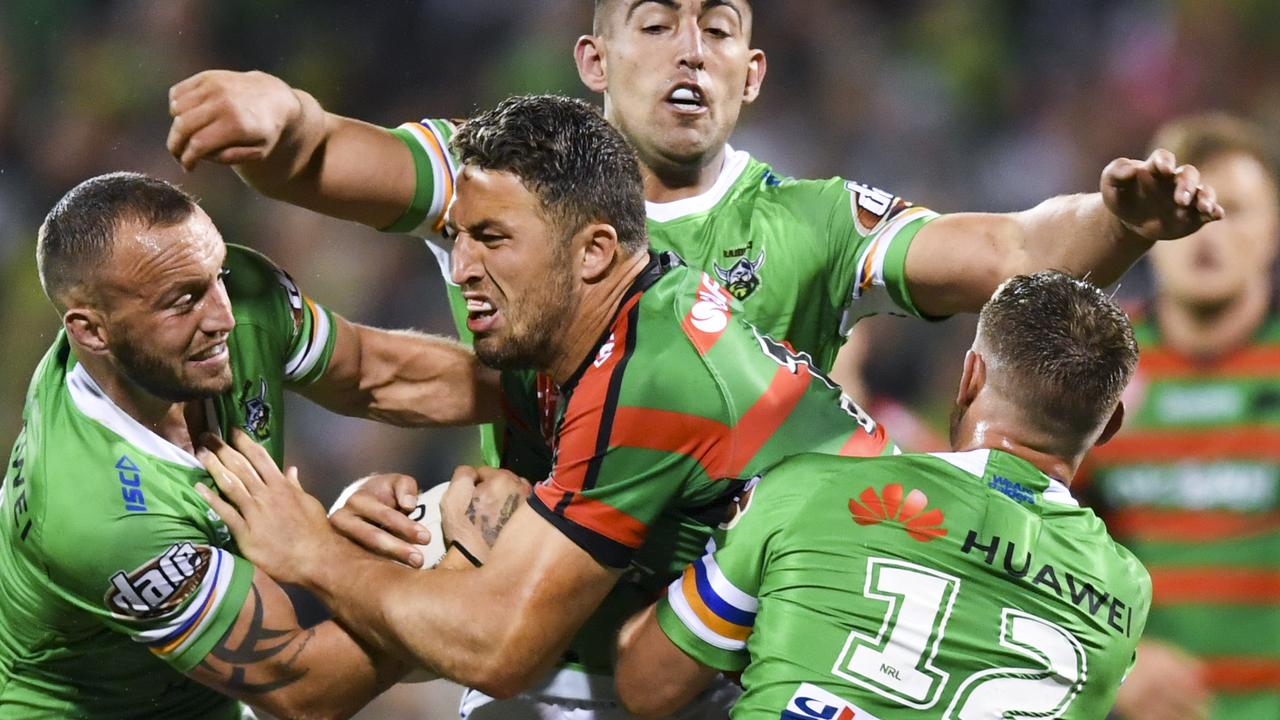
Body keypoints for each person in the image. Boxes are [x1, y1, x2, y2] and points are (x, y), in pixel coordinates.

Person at [166, 0, 1221, 482]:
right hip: (544, 642)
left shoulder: (810, 220)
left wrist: (1117, 221)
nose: (689, 51)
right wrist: (280, 115)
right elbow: (323, 159)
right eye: (656, 21)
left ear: (751, 74)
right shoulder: (506, 170)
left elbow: (1008, 251)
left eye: (718, 28)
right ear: (593, 56)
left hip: (737, 657)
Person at [194, 94, 905, 720]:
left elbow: (501, 648)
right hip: (822, 622)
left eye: (493, 239)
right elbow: (403, 378)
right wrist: (271, 325)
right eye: (459, 236)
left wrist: (314, 553)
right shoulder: (608, 323)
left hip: (867, 663)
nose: (464, 267)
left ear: (593, 251)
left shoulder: (649, 377)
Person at [0, 172, 496, 719]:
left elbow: (375, 374)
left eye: (217, 274)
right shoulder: (98, 512)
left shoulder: (239, 296)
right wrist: (458, 574)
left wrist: (552, 393)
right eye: (182, 300)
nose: (223, 316)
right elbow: (305, 693)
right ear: (91, 331)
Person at [612, 270, 1151, 719]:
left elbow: (646, 686)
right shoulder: (1126, 593)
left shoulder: (806, 491)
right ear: (1110, 425)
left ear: (969, 377)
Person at [1082, 114, 1280, 720]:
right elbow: (1024, 545)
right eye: (1188, 209)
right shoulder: (1088, 368)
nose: (1208, 231)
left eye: (1237, 210)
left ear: (1274, 229)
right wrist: (1115, 659)